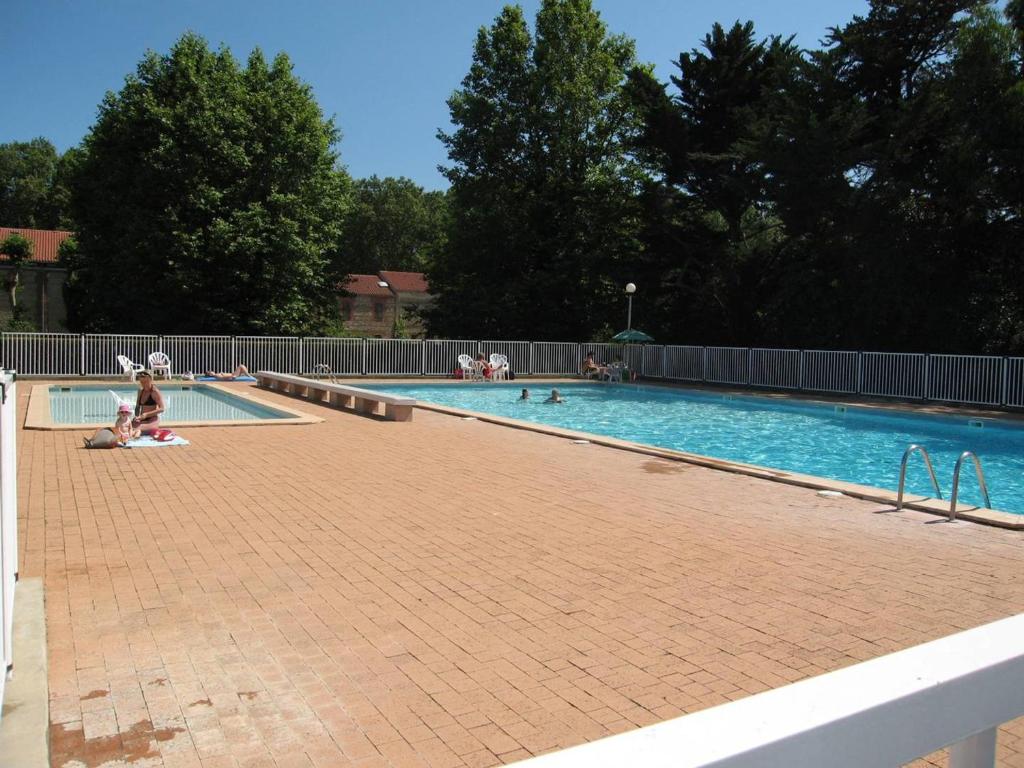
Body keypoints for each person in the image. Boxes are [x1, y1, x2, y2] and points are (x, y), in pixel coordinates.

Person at [133, 369, 166, 435]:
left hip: (152, 419)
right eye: (142, 382)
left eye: (145, 382)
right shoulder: (140, 391)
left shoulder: (154, 391)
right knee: (127, 426)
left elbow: (162, 408)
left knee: (138, 428)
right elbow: (137, 406)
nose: (143, 384)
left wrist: (146, 415)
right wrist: (137, 416)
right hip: (141, 418)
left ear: (150, 380)